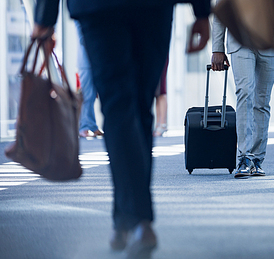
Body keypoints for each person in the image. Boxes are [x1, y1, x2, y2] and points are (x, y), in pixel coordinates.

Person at [32, 0, 210, 258]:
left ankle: (131, 218)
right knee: (138, 106)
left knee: (120, 105)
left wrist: (44, 18)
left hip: (99, 8)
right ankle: (134, 219)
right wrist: (202, 10)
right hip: (151, 8)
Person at [211, 0, 274, 179]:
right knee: (244, 93)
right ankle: (245, 158)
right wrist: (217, 49)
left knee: (262, 101)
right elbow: (221, 10)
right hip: (239, 40)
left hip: (270, 41)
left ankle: (257, 159)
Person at [75, 21, 104, 138]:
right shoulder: (82, 18)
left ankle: (91, 125)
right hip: (86, 61)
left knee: (92, 95)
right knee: (87, 95)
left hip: (96, 60)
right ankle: (84, 127)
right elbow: (84, 38)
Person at [154, 61, 169, 137]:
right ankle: (158, 124)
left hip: (157, 60)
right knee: (156, 94)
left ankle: (162, 124)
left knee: (161, 91)